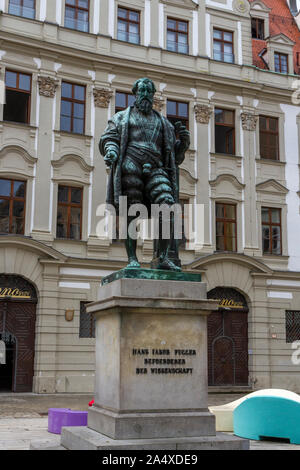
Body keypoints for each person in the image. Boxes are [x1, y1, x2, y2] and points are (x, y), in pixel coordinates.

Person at [99, 77, 190, 271]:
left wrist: (183, 143)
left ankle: (163, 257)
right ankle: (132, 258)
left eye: (150, 92)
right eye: (143, 91)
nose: (146, 95)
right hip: (131, 164)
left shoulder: (163, 123)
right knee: (131, 211)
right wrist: (111, 151)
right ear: (135, 94)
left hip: (156, 167)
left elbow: (174, 156)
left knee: (167, 205)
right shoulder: (122, 117)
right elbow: (110, 137)